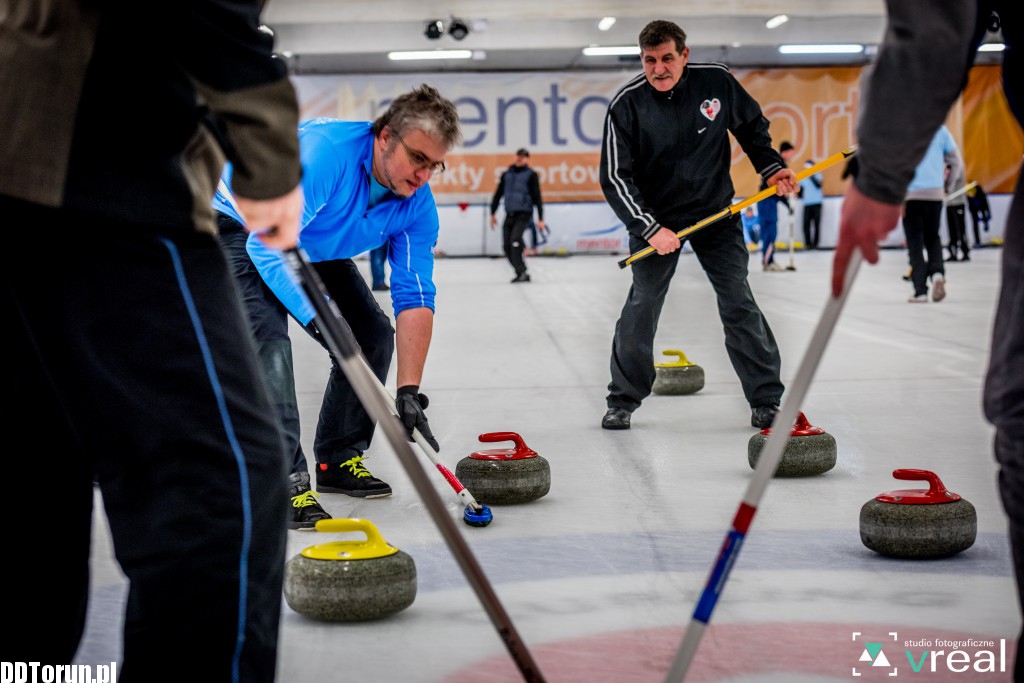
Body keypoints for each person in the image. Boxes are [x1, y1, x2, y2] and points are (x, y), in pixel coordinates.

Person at [1, 1, 302, 676]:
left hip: (30, 140)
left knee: (31, 494)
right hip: (92, 149)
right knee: (220, 500)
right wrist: (266, 141)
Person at [831, 2, 1020, 677]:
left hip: (909, 193)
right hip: (931, 196)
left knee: (1022, 416)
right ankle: (929, 275)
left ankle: (924, 276)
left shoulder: (932, 132)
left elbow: (937, 29)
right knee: (926, 241)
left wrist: (878, 177)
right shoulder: (947, 140)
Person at [214, 84, 461, 501]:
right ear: (385, 137)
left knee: (372, 336)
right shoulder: (325, 155)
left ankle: (337, 458)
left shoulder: (417, 204)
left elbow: (415, 294)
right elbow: (267, 247)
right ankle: (282, 480)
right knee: (269, 345)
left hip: (315, 239)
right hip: (247, 226)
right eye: (417, 158)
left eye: (434, 166)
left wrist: (408, 390)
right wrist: (324, 320)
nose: (422, 176)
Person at [599, 19, 797, 431]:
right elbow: (615, 177)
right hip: (656, 220)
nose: (659, 68)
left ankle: (766, 399)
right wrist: (650, 228)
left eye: (667, 58)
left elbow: (751, 128)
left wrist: (773, 168)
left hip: (715, 214)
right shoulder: (626, 105)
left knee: (737, 297)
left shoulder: (717, 83)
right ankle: (623, 398)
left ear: (684, 56)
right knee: (643, 302)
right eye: (650, 60)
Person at [902, 124, 960, 303]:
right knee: (933, 237)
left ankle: (920, 291)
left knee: (914, 242)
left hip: (909, 195)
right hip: (935, 193)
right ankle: (937, 273)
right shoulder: (940, 129)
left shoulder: (901, 128)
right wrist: (947, 187)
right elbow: (956, 162)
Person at [490, 148, 546, 283]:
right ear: (514, 157)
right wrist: (492, 213)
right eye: (518, 155)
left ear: (527, 159)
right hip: (509, 214)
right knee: (506, 246)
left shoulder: (531, 175)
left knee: (515, 240)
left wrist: (540, 218)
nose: (520, 158)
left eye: (523, 156)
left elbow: (537, 197)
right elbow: (498, 195)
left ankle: (522, 271)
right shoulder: (506, 175)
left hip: (524, 214)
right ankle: (520, 271)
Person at [757, 141, 797, 270]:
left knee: (768, 230)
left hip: (767, 201)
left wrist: (788, 206)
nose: (792, 156)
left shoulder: (777, 163)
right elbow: (777, 189)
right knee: (770, 230)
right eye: (791, 153)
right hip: (767, 201)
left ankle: (768, 260)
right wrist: (788, 205)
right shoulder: (780, 165)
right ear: (785, 152)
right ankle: (769, 261)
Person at [945, 160, 971, 261]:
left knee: (960, 230)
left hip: (958, 203)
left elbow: (953, 180)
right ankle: (953, 252)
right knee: (951, 230)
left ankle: (965, 252)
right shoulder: (948, 167)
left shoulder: (958, 165)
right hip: (950, 203)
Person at [798, 159, 824, 249]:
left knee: (817, 224)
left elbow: (819, 185)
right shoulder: (803, 177)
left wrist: (811, 175)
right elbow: (799, 190)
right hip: (807, 203)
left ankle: (816, 244)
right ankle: (808, 244)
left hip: (817, 203)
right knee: (806, 225)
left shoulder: (818, 175)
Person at [967, 181, 992, 246]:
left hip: (981, 205)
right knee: (975, 223)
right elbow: (970, 206)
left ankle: (985, 223)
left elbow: (986, 203)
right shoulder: (968, 195)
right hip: (973, 208)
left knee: (983, 217)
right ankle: (977, 241)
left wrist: (988, 214)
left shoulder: (979, 192)